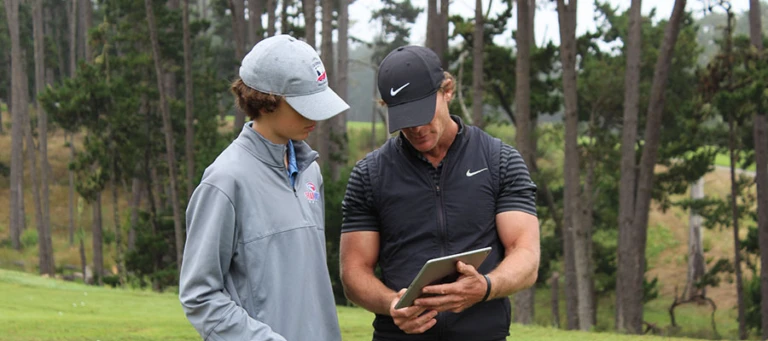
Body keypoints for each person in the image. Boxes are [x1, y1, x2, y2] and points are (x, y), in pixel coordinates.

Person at [339, 45, 541, 340]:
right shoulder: (369, 175)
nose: (416, 128)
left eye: (422, 113)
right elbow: (354, 272)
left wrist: (486, 286)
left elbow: (525, 255)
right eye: (405, 118)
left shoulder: (500, 161)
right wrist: (391, 304)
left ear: (447, 90)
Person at [179, 34, 349, 341]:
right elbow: (199, 296)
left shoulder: (310, 172)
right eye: (303, 105)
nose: (316, 117)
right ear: (267, 102)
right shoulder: (225, 181)